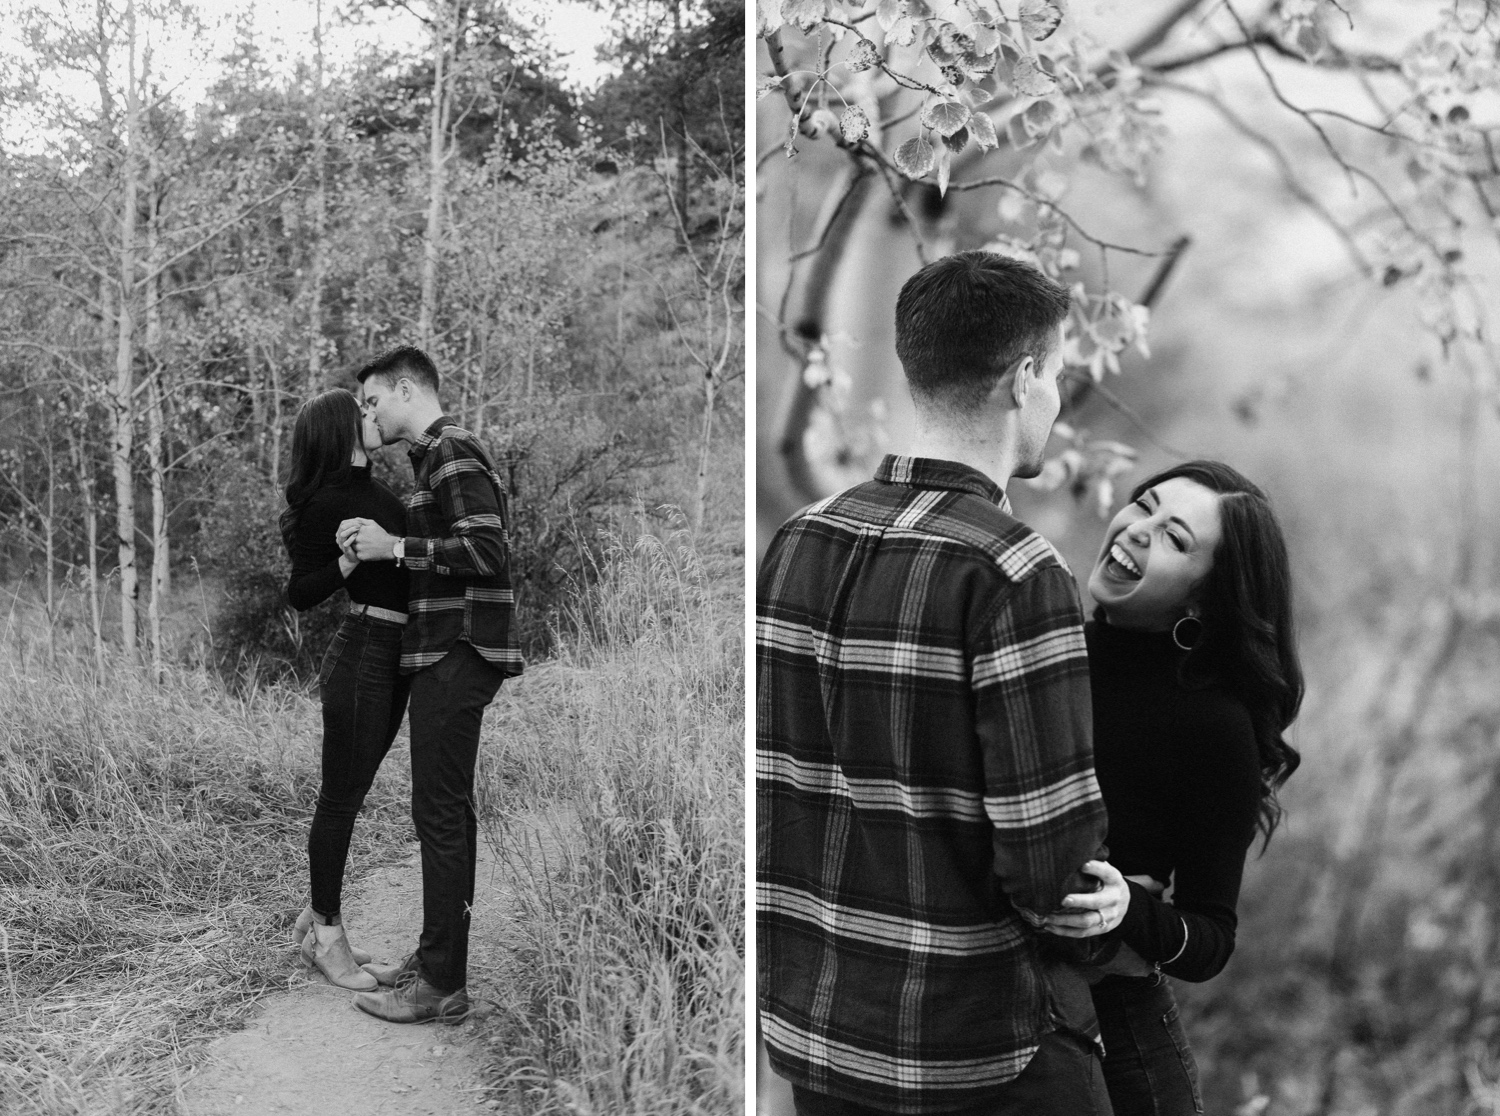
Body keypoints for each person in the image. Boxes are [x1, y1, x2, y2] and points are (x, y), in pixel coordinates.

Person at [757, 251, 1130, 1116]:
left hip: (820, 1045)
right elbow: (1050, 870)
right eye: (1058, 376)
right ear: (1024, 378)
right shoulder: (1015, 570)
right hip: (977, 1055)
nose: (1056, 398)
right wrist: (1104, 900)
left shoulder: (798, 540)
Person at [1044, 460, 1304, 1115]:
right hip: (1000, 1022)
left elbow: (1210, 938)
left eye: (1175, 538)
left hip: (1124, 1048)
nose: (1137, 530)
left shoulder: (1213, 722)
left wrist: (1124, 909)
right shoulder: (1046, 654)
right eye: (1143, 506)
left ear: (1202, 597)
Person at [336, 345, 523, 1025]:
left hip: (459, 648)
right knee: (442, 811)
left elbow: (485, 552)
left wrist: (396, 548)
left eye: (373, 400)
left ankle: (442, 984)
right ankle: (436, 960)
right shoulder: (433, 459)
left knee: (440, 814)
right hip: (446, 650)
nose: (369, 413)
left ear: (407, 388)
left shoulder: (451, 449)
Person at [280, 388, 410, 992]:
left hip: (397, 655)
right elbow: (300, 592)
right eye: (362, 410)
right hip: (362, 653)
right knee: (339, 797)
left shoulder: (379, 492)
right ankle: (329, 936)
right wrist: (349, 565)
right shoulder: (327, 501)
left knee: (352, 792)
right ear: (340, 428)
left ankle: (317, 919)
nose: (373, 415)